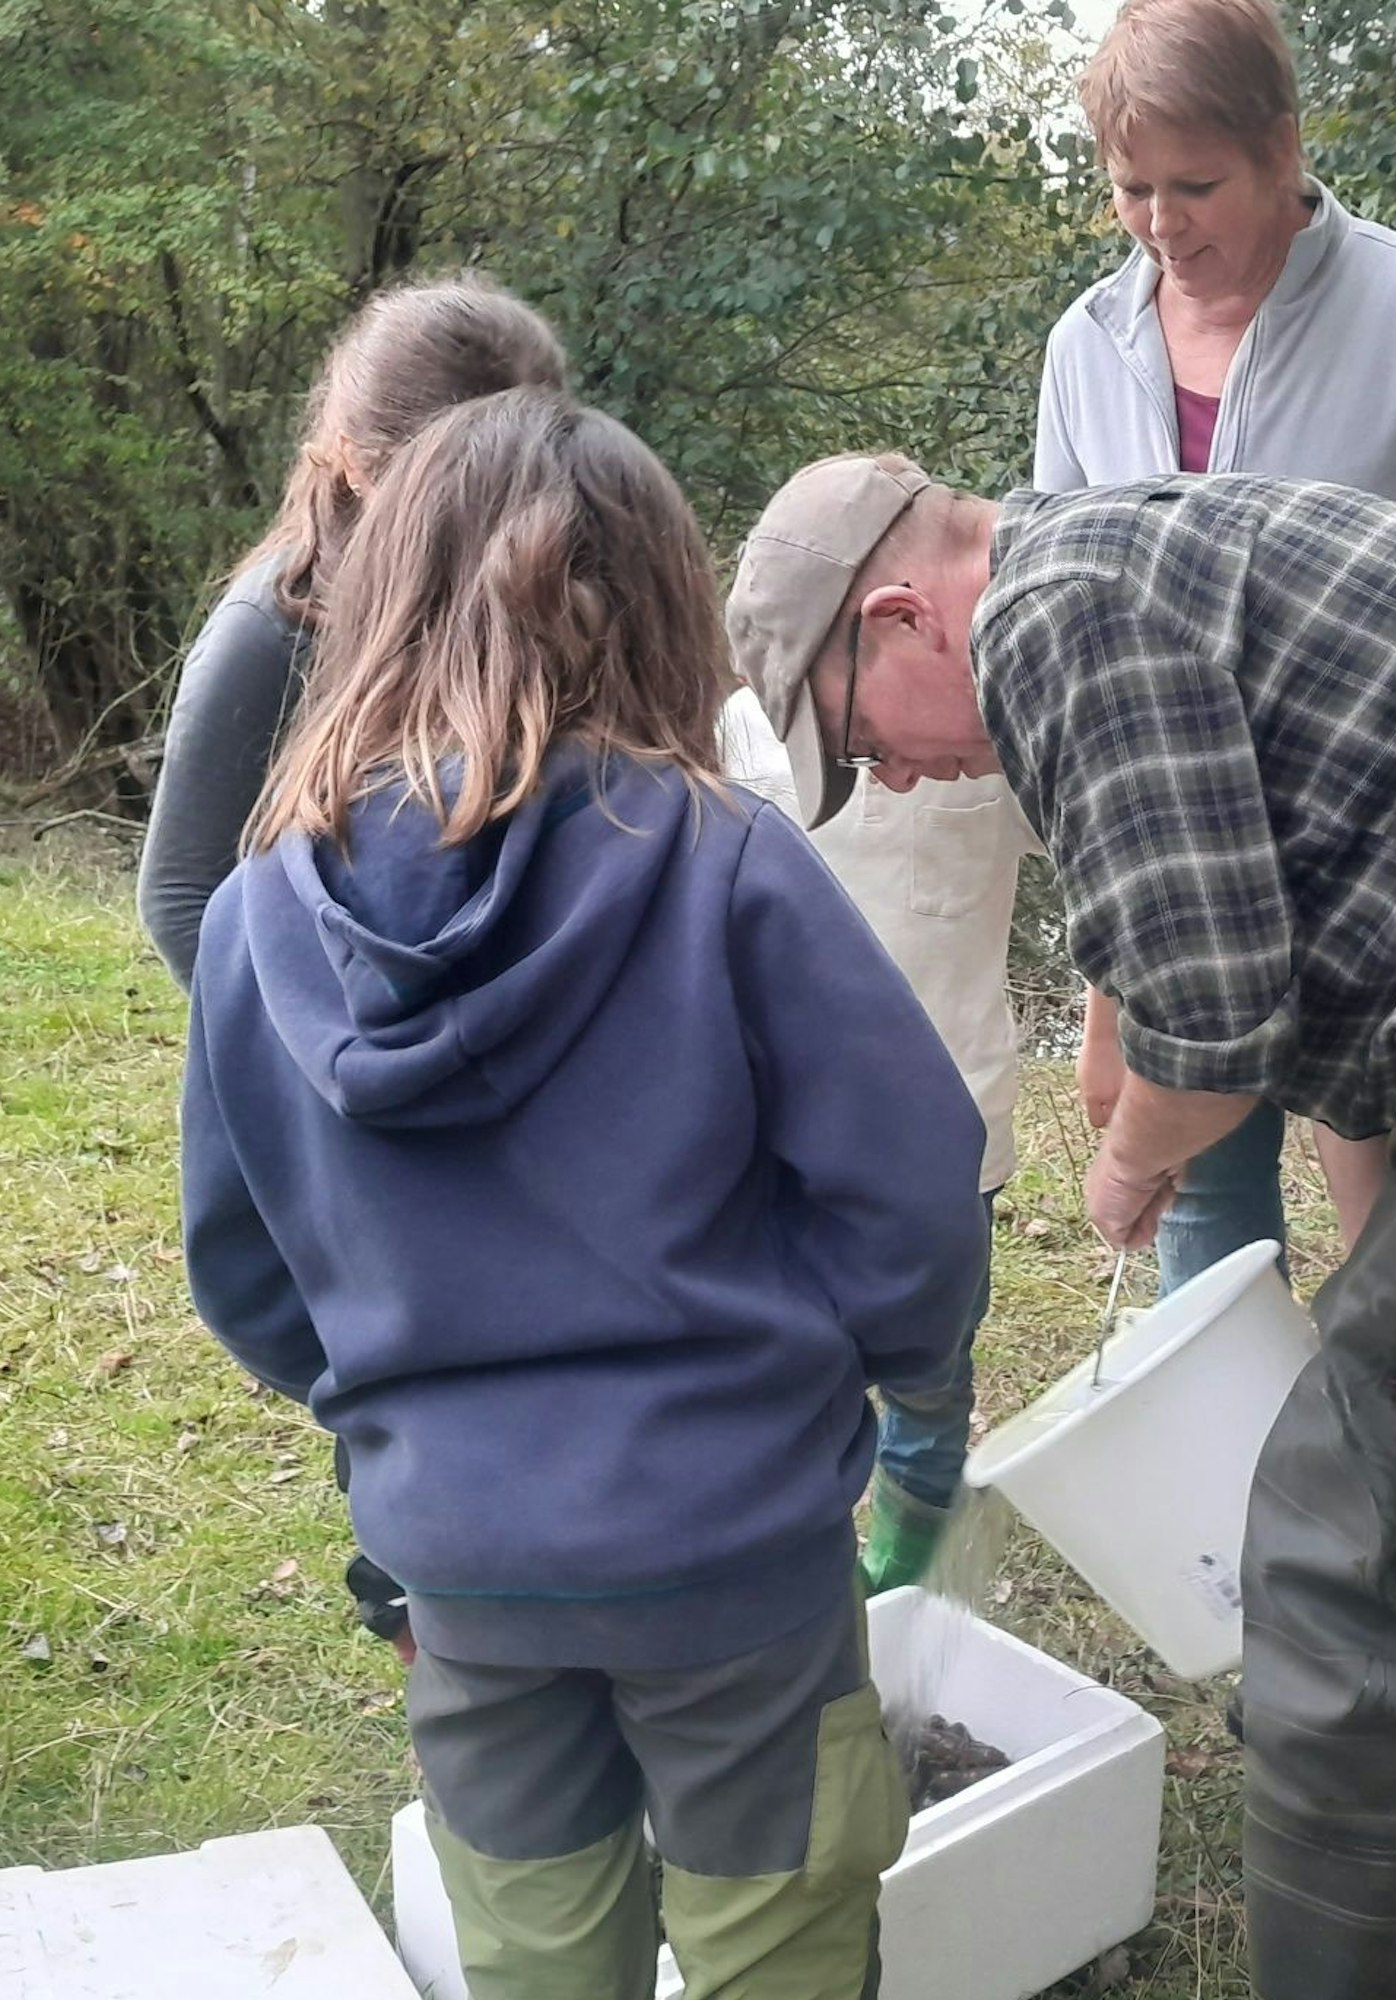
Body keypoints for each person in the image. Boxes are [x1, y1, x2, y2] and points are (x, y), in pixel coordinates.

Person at [729, 451, 1396, 2000]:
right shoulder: (1121, 551)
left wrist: (1125, 1164)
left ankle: (1375, 1891)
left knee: (1353, 1549)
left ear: (903, 617)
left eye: (865, 741)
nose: (897, 779)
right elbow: (1253, 915)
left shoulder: (1055, 615)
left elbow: (1210, 1016)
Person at [181, 394, 989, 2000]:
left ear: (383, 597)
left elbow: (245, 1270)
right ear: (665, 609)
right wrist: (868, 1369)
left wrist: (406, 1422)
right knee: (779, 1941)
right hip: (737, 1553)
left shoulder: (257, 912)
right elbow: (910, 1209)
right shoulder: (729, 860)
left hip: (462, 1564)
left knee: (540, 1951)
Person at [1040, 0, 1396, 1292]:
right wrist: (1101, 981)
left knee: (1393, 1246)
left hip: (1393, 865)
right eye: (1131, 190)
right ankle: (1220, 1479)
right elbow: (1071, 628)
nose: (1164, 226)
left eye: (1196, 184)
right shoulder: (1084, 351)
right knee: (1201, 1246)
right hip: (1184, 871)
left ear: (1283, 150)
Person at [139, 276, 568, 1660]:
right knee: (399, 1383)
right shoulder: (273, 633)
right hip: (351, 1084)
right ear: (360, 467)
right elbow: (179, 889)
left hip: (504, 1063)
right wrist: (305, 1045)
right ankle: (442, 1653)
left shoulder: (512, 586)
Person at [718, 565, 1039, 1591]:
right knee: (790, 1359)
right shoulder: (738, 730)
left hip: (954, 1131)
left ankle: (906, 1560)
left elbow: (1102, 847)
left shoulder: (998, 723)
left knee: (931, 1372)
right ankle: (799, 1557)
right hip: (781, 1141)